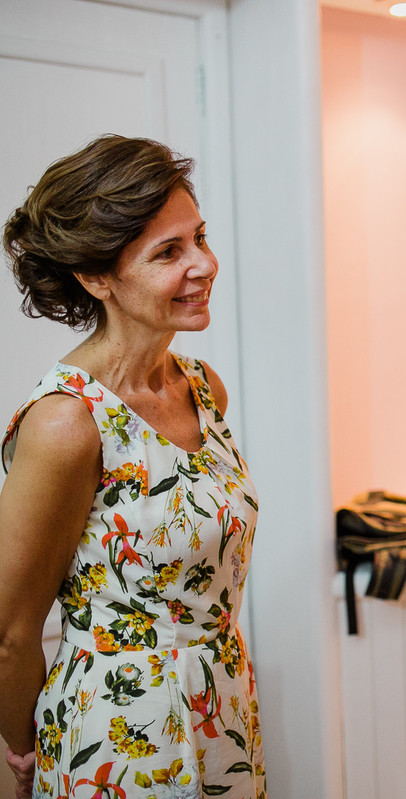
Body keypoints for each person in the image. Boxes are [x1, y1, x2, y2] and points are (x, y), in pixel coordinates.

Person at [0, 136, 266, 799]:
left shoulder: (204, 388)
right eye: (168, 252)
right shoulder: (68, 421)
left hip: (225, 715)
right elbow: (10, 631)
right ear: (96, 278)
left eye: (199, 237)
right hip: (118, 737)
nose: (204, 264)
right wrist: (22, 747)